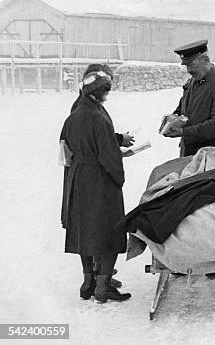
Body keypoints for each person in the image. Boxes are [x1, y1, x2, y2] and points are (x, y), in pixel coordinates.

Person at [60, 70, 131, 303]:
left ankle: (88, 280)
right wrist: (119, 177)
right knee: (108, 229)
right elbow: (108, 156)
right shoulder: (99, 119)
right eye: (106, 91)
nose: (108, 96)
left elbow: (66, 147)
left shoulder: (73, 117)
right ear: (99, 92)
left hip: (78, 177)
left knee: (85, 229)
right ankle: (103, 287)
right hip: (100, 180)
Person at [161, 40, 215, 156]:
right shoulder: (193, 81)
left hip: (214, 157)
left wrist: (183, 132)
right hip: (192, 154)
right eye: (186, 65)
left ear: (206, 60)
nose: (188, 70)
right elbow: (183, 107)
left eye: (191, 64)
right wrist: (172, 120)